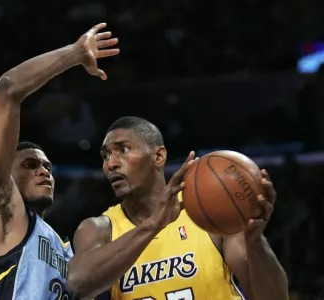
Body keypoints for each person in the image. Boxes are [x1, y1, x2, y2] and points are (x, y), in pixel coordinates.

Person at [0, 23, 119, 300]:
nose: (43, 171)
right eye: (29, 165)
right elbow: (6, 90)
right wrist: (75, 53)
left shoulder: (63, 248)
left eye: (47, 166)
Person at [67, 116, 289, 300]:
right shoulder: (99, 229)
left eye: (123, 149)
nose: (111, 163)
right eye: (106, 155)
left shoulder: (208, 214)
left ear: (159, 156)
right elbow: (78, 285)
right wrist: (154, 225)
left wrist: (255, 241)